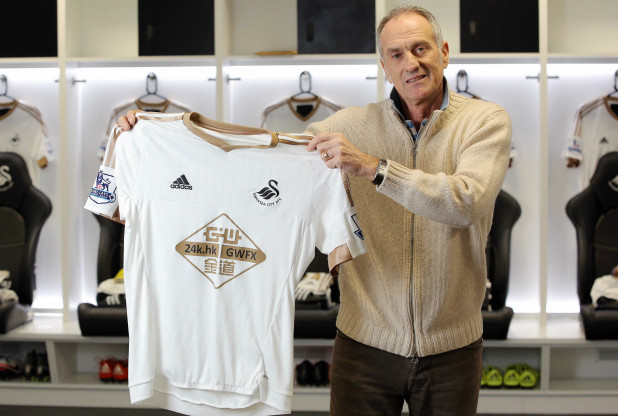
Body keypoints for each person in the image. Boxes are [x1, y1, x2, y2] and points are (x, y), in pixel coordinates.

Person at [118, 5, 512, 415]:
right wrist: (154, 133)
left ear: (444, 52)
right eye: (396, 54)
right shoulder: (350, 126)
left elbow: (467, 200)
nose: (410, 63)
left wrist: (373, 167)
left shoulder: (485, 121)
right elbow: (265, 155)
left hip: (452, 349)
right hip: (364, 346)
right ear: (383, 66)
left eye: (420, 49)